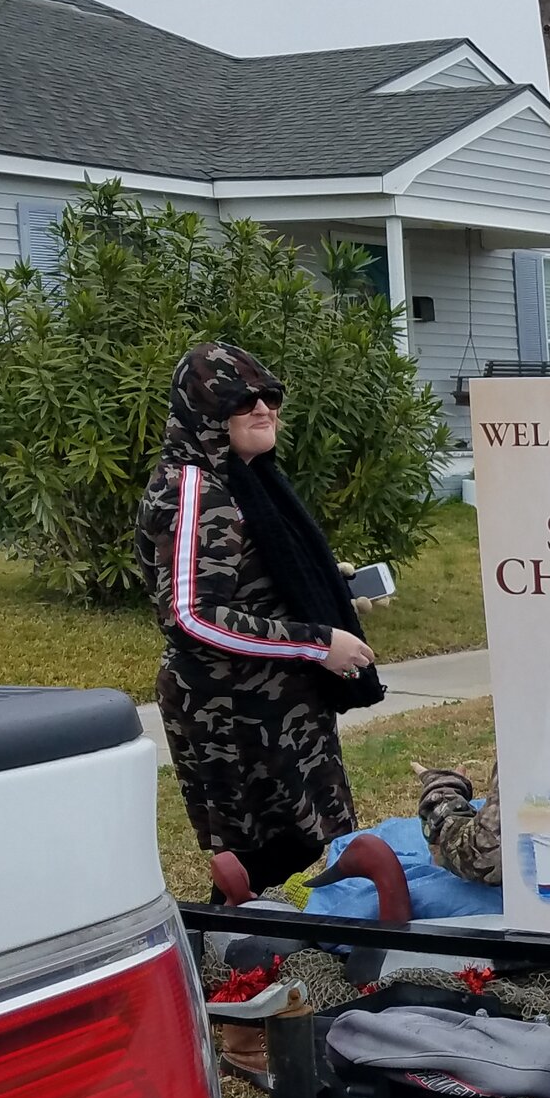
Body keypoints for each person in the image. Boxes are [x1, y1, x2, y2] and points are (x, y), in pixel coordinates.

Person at [139, 343, 383, 895]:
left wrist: (328, 591)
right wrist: (317, 642)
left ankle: (280, 955)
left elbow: (241, 579)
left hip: (278, 706)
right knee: (268, 861)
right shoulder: (195, 488)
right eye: (240, 400)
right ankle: (240, 961)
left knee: (309, 846)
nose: (263, 408)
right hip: (230, 715)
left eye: (269, 396)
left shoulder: (242, 477)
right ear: (204, 413)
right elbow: (190, 616)